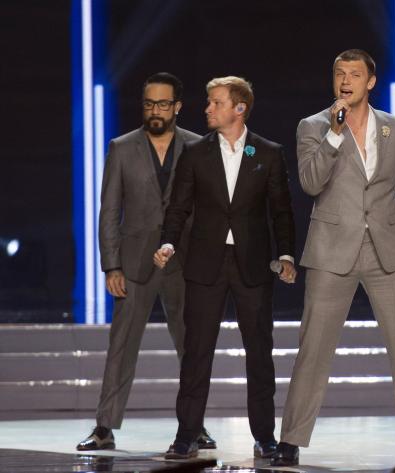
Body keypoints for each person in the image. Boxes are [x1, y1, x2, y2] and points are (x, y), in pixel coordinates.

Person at [271, 49, 395, 467]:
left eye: (354, 74)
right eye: (339, 73)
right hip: (332, 251)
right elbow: (311, 182)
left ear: (370, 82)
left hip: (386, 250)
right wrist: (334, 135)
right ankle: (291, 439)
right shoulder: (313, 126)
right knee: (313, 349)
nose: (345, 81)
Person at [154, 76, 296, 460]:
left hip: (253, 265)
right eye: (209, 102)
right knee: (196, 352)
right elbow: (178, 207)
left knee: (259, 353)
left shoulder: (268, 153)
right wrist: (168, 242)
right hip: (205, 265)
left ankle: (264, 436)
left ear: (239, 108)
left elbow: (281, 211)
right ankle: (186, 434)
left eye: (216, 102)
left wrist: (286, 255)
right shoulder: (195, 153)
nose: (208, 109)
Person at [77, 72, 216, 451]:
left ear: (177, 106)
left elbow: (209, 209)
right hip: (135, 264)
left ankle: (195, 426)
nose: (155, 111)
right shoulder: (122, 148)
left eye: (163, 104)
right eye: (149, 104)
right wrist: (111, 265)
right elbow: (109, 211)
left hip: (184, 262)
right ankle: (104, 427)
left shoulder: (198, 146)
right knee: (121, 347)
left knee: (192, 347)